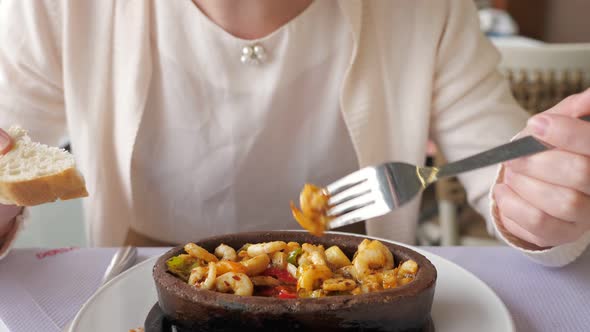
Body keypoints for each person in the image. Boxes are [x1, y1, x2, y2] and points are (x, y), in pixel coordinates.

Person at [0, 0, 588, 266]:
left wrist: (542, 205)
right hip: (146, 299)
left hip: (352, 299)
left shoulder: (428, 8)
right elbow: (10, 163)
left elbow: (506, 179)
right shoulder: (54, 7)